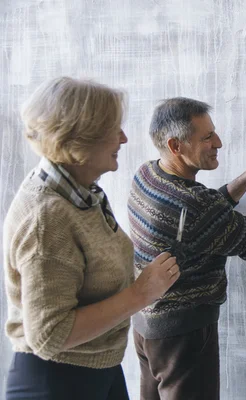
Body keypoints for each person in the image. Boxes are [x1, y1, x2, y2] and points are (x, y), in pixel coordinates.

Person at [3, 77, 180, 400]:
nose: (124, 138)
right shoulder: (47, 218)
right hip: (56, 383)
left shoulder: (81, 189)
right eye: (114, 129)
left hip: (98, 372)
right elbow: (49, 336)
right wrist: (141, 293)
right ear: (80, 141)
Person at [127, 97, 246, 399]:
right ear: (175, 146)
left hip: (147, 327)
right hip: (183, 336)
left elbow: (200, 225)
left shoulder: (147, 175)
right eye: (207, 137)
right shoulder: (196, 204)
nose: (219, 142)